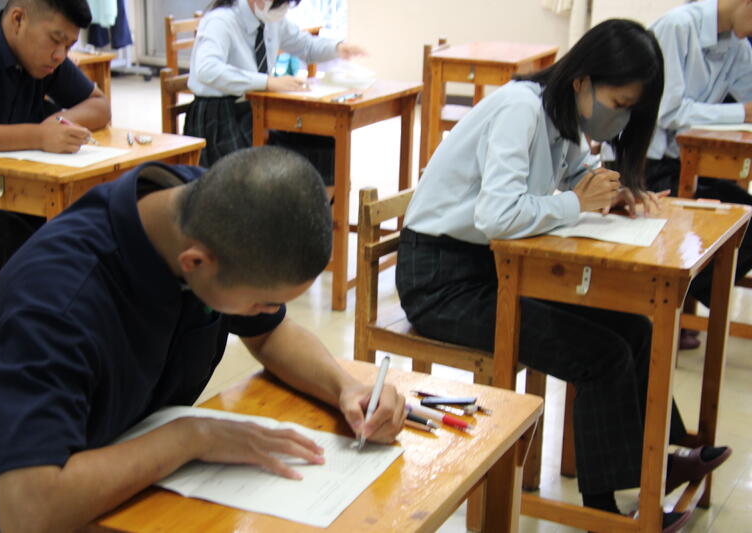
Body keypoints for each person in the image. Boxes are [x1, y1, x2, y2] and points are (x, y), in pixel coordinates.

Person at [0, 146, 406, 532]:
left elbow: (271, 335)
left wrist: (345, 386)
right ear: (195, 263)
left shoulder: (202, 211)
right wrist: (193, 437)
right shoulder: (56, 305)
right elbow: (27, 512)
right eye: (261, 302)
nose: (270, 313)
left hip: (131, 481)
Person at [395, 19, 730, 532]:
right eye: (619, 104)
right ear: (583, 81)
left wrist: (612, 193)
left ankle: (656, 465)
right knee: (601, 355)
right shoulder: (520, 109)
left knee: (634, 328)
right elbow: (498, 215)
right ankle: (602, 510)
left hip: (495, 267)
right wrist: (576, 202)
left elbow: (572, 175)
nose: (620, 119)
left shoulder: (560, 113)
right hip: (441, 282)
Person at [0, 0, 111, 275]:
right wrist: (38, 136)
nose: (60, 56)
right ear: (18, 20)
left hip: (8, 187)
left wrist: (57, 124)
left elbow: (100, 105)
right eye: (56, 40)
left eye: (69, 46)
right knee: (55, 252)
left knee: (93, 226)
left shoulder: (43, 57)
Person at [644, 0, 752, 349]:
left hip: (685, 165)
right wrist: (742, 113)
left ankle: (678, 298)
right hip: (644, 166)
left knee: (743, 218)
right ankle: (666, 303)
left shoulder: (736, 45)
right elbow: (669, 112)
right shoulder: (677, 28)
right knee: (725, 227)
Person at [184, 0, 364, 183]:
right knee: (264, 170)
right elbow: (207, 69)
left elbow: (306, 46)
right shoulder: (221, 20)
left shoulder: (272, 20)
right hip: (219, 115)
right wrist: (267, 82)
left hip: (255, 108)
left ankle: (318, 200)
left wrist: (337, 48)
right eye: (280, 3)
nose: (283, 9)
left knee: (324, 143)